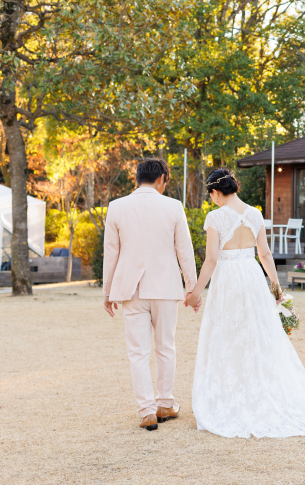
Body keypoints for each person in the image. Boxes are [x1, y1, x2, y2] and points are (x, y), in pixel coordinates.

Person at [185, 168, 305, 438]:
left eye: (211, 194)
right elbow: (265, 254)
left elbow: (211, 260)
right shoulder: (255, 213)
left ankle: (232, 396)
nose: (212, 199)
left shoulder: (215, 217)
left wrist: (196, 292)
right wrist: (276, 287)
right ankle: (253, 390)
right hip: (251, 276)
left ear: (216, 191)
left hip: (228, 281)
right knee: (256, 336)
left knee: (226, 336)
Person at [102, 158, 198, 431]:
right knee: (165, 347)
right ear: (161, 179)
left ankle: (147, 411)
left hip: (131, 291)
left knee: (138, 352)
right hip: (166, 287)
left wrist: (107, 292)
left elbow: (112, 253)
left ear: (138, 178)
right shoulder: (173, 206)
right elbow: (185, 250)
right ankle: (165, 403)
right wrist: (191, 286)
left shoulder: (117, 207)